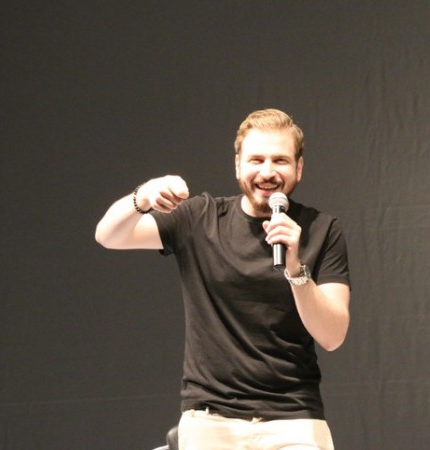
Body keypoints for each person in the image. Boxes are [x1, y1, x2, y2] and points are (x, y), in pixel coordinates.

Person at [95, 108, 351, 450]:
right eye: (256, 160)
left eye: (280, 160)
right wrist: (142, 197)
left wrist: (295, 269)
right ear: (238, 165)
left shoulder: (321, 230)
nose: (268, 172)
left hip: (293, 417)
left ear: (299, 168)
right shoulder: (200, 219)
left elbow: (332, 336)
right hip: (211, 416)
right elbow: (109, 235)